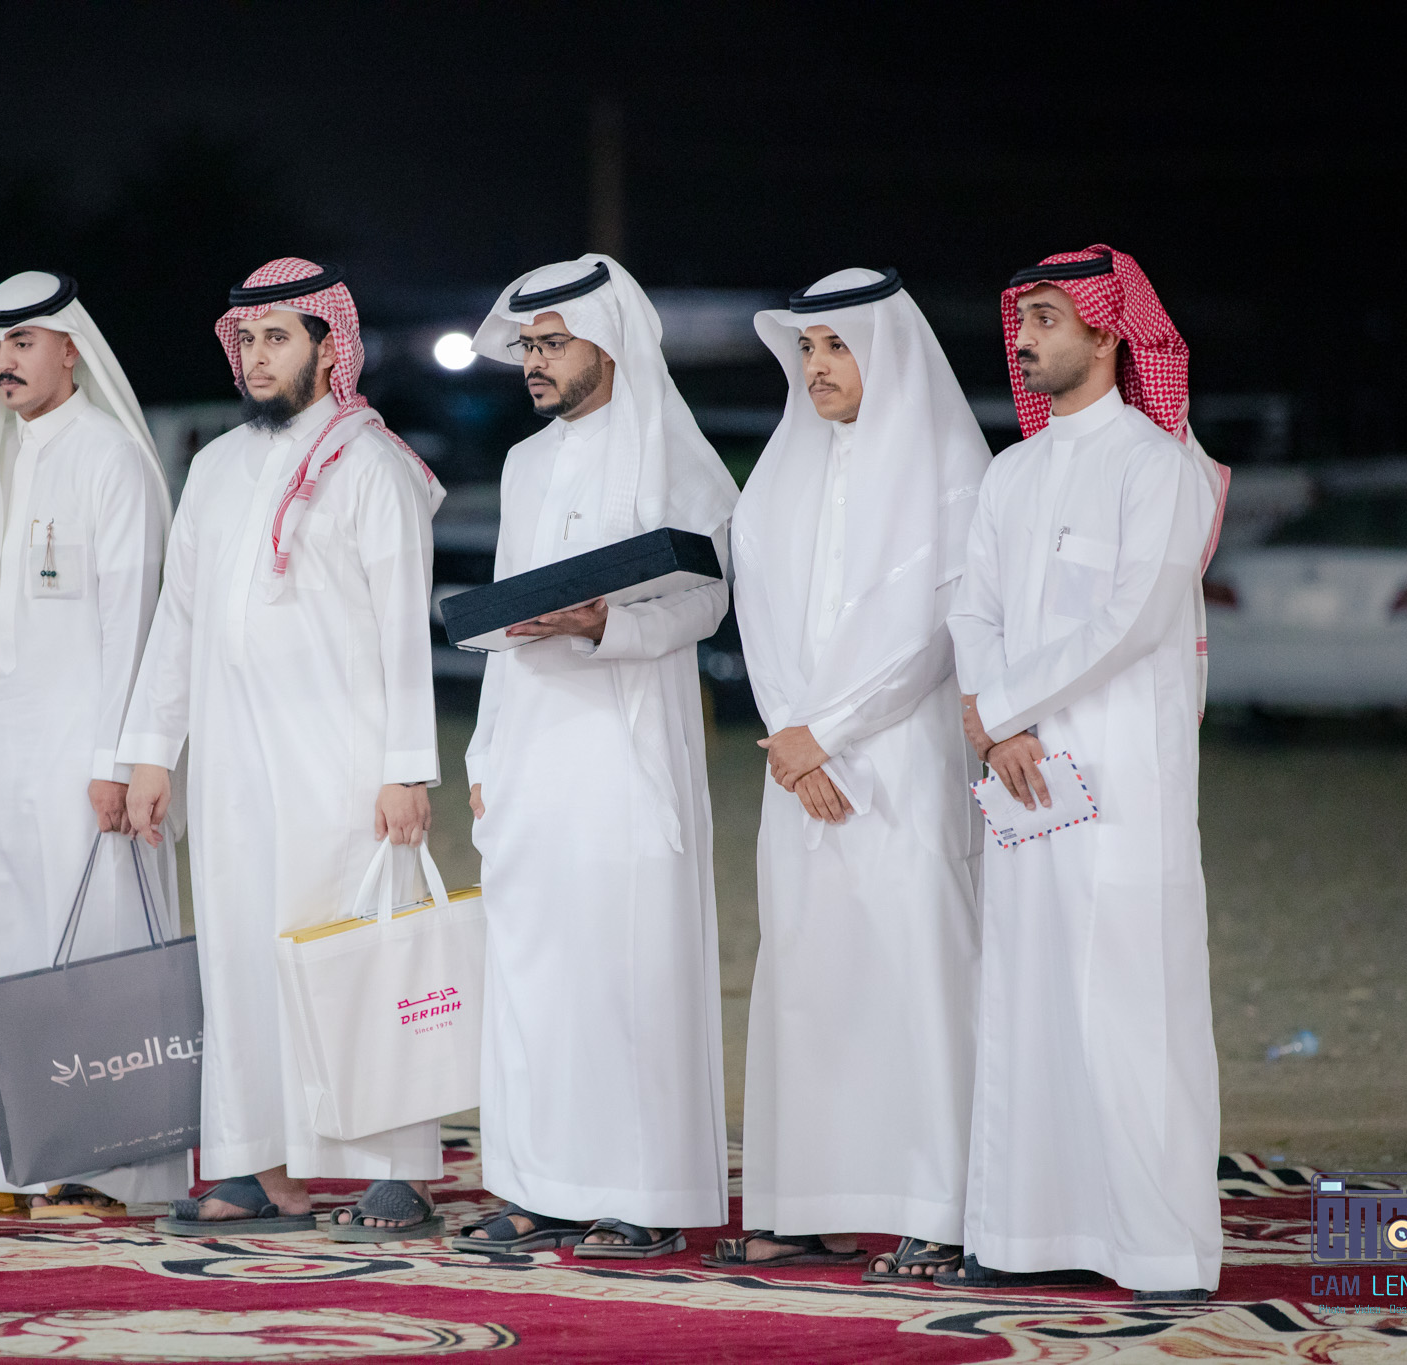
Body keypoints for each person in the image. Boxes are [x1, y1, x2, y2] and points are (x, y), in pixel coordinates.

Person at [120, 258, 448, 1241]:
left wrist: (405, 768)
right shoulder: (216, 467)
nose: (257, 357)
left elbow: (404, 631)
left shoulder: (374, 467)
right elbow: (178, 617)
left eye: (277, 338)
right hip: (234, 765)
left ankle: (394, 1171)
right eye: (246, 339)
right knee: (240, 959)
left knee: (359, 960)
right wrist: (151, 750)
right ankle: (258, 1167)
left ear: (327, 346)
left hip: (342, 768)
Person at [945, 245, 1227, 1303]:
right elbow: (971, 609)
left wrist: (1002, 708)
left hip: (1123, 782)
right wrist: (994, 724)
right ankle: (1025, 1231)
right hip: (1023, 780)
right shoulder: (1009, 474)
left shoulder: (1157, 468)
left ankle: (1156, 1247)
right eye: (1022, 320)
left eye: (1048, 319)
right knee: (1026, 995)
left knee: (1128, 1003)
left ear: (1108, 332)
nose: (1023, 340)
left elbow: (1133, 618)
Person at [706, 268, 989, 1278]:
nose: (817, 366)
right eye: (807, 349)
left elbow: (933, 629)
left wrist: (823, 729)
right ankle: (805, 1206)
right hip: (797, 764)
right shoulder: (783, 469)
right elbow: (758, 614)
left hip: (901, 757)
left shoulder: (950, 468)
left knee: (915, 966)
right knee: (805, 975)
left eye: (837, 347)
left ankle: (939, 1207)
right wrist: (791, 733)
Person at [460, 254, 736, 1259]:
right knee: (535, 972)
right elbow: (502, 615)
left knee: (630, 969)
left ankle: (641, 1194)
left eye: (552, 344)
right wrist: (484, 754)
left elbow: (708, 601)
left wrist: (603, 624)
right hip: (530, 746)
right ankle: (539, 1187)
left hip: (626, 748)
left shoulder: (677, 456)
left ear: (608, 344)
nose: (533, 362)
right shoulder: (523, 464)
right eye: (527, 346)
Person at [0, 271, 185, 1218]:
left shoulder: (110, 457)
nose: (6, 362)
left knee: (96, 951)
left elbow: (134, 621)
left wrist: (118, 760)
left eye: (23, 343)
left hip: (85, 760)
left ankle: (106, 1169)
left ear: (71, 348)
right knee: (0, 951)